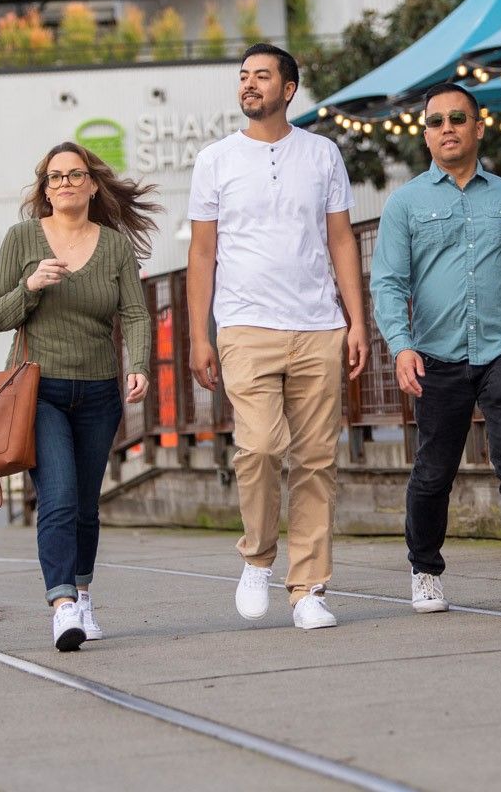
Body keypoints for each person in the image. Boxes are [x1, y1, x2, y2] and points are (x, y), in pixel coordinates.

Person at [370, 81, 501, 615]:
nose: (447, 129)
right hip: (435, 355)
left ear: (478, 128)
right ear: (426, 135)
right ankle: (425, 570)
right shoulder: (405, 204)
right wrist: (401, 346)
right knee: (434, 470)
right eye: (436, 122)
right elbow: (388, 283)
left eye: (457, 119)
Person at [187, 43, 368, 631]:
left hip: (318, 326)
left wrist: (357, 321)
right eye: (244, 75)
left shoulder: (322, 154)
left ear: (288, 89)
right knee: (260, 447)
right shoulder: (214, 160)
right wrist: (199, 335)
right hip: (244, 326)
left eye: (262, 76)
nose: (249, 84)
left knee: (316, 459)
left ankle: (308, 588)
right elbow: (202, 252)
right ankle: (258, 556)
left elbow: (341, 239)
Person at [0, 140, 158, 652]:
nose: (65, 183)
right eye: (55, 177)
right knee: (58, 497)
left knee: (85, 504)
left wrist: (138, 365)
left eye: (75, 175)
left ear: (92, 185)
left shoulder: (114, 247)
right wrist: (31, 285)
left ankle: (83, 595)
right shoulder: (21, 238)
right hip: (38, 390)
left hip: (99, 392)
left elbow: (134, 313)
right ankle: (62, 605)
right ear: (45, 189)